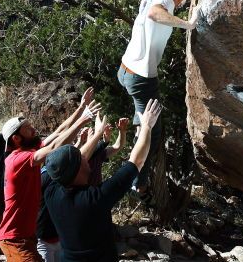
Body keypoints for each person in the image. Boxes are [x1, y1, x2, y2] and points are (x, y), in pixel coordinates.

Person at [118, 0, 201, 197]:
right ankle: (136, 180)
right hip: (141, 78)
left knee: (143, 118)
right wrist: (188, 24)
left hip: (125, 70)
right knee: (151, 132)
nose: (182, 1)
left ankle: (137, 132)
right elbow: (155, 14)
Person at [43, 99, 163, 262]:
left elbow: (72, 165)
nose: (85, 156)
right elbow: (137, 161)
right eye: (81, 157)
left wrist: (98, 133)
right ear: (77, 169)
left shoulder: (51, 191)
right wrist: (147, 126)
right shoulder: (95, 198)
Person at [0, 87, 101, 262]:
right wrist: (84, 119)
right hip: (14, 239)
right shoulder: (17, 159)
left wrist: (81, 108)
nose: (33, 130)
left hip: (27, 236)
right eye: (28, 128)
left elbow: (60, 131)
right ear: (16, 139)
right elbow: (54, 148)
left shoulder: (29, 150)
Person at [36, 118, 128, 261]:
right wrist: (95, 134)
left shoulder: (96, 153)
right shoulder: (59, 173)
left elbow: (116, 147)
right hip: (47, 234)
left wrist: (117, 132)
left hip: (86, 208)